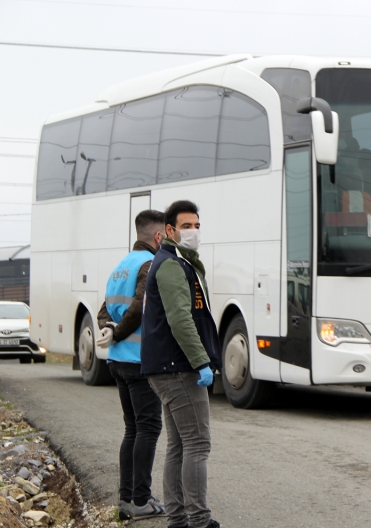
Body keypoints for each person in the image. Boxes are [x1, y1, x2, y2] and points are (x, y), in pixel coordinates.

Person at [141, 200, 222, 528]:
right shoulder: (173, 264)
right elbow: (179, 319)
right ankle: (199, 520)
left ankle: (178, 518)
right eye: (187, 226)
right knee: (198, 443)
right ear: (169, 231)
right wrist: (201, 361)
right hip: (178, 367)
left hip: (167, 365)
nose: (194, 232)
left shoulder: (180, 262)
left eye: (197, 226)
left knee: (180, 443)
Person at [96, 210, 167, 520]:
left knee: (132, 429)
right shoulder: (149, 265)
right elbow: (139, 306)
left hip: (117, 361)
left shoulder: (120, 267)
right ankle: (140, 500)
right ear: (159, 237)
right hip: (140, 362)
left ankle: (127, 499)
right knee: (148, 428)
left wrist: (110, 332)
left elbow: (102, 312)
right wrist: (121, 330)